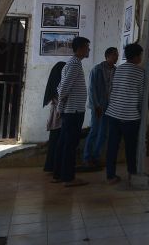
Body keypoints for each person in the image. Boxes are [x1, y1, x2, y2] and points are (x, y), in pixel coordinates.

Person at [105, 43, 146, 184]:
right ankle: (132, 173)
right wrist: (140, 112)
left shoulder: (118, 69)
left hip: (113, 113)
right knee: (130, 147)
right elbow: (141, 96)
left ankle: (110, 175)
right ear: (135, 56)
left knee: (112, 146)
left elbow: (112, 89)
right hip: (130, 116)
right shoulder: (140, 72)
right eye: (140, 55)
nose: (141, 57)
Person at [53, 36, 90, 187]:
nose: (88, 50)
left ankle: (59, 174)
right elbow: (64, 88)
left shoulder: (72, 63)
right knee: (70, 144)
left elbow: (61, 87)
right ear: (80, 48)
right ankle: (68, 178)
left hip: (71, 110)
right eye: (87, 47)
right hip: (74, 111)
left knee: (64, 143)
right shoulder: (74, 64)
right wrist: (60, 107)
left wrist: (60, 108)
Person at [82, 47, 118, 167]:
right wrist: (96, 106)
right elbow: (92, 90)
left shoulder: (116, 71)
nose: (116, 57)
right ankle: (87, 157)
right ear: (107, 56)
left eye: (117, 55)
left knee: (103, 133)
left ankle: (96, 157)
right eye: (114, 55)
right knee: (94, 131)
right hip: (98, 105)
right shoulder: (97, 70)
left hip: (110, 105)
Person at [43, 61, 66, 173]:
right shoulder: (59, 85)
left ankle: (50, 166)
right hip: (59, 116)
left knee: (54, 142)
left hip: (55, 117)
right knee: (57, 143)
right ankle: (55, 167)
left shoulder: (53, 84)